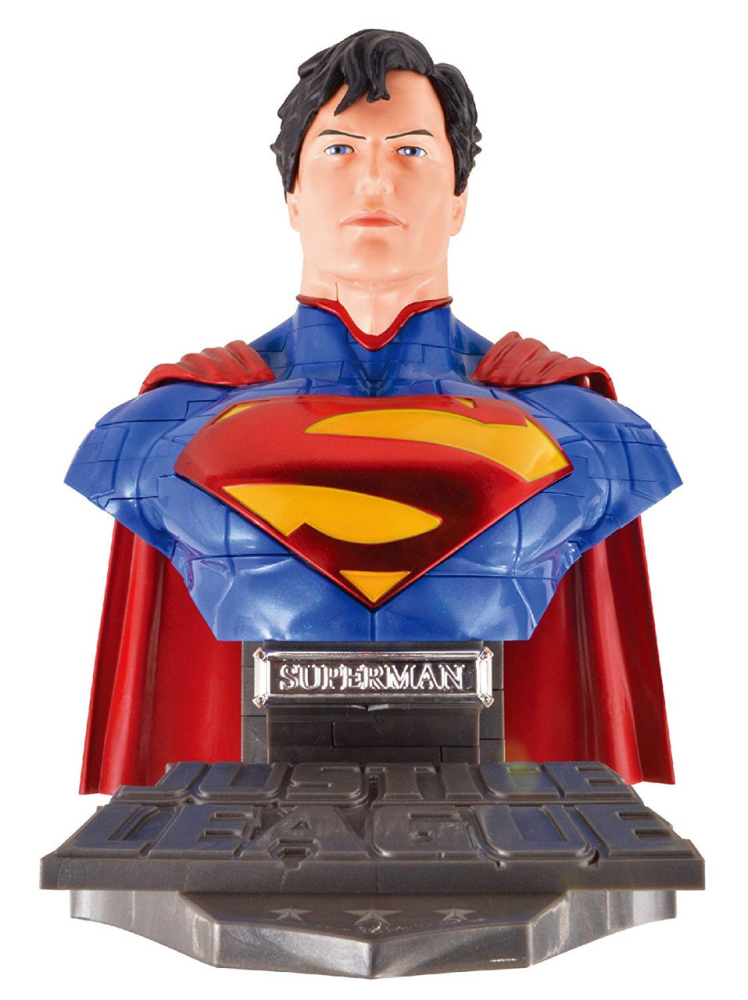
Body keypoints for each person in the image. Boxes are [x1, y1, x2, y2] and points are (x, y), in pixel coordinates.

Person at [67, 30, 679, 793]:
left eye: (411, 151)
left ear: (459, 200)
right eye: (340, 150)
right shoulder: (159, 430)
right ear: (291, 195)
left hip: (487, 817)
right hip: (261, 821)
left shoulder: (586, 431)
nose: (375, 183)